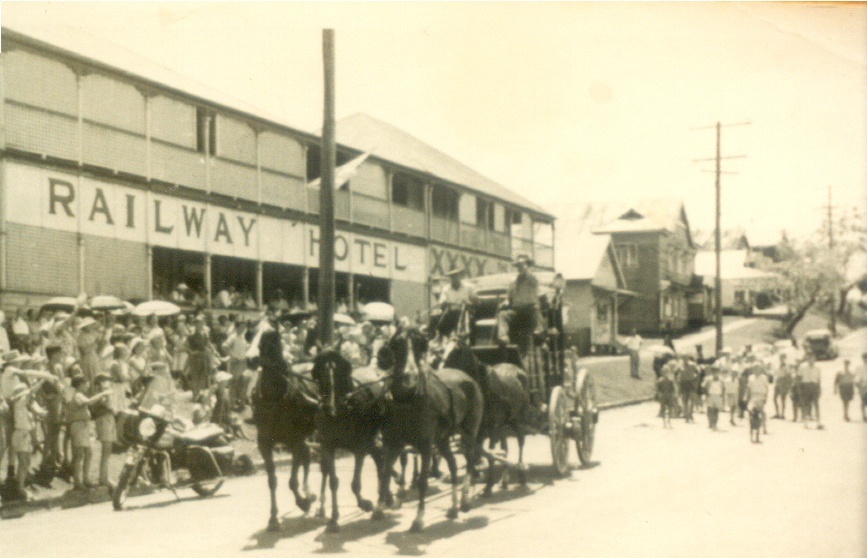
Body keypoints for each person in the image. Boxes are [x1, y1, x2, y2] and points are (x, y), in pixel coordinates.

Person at [496, 254, 541, 357]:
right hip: (517, 310)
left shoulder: (532, 279)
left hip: (530, 311)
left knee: (532, 323)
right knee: (502, 315)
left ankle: (536, 338)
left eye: (522, 265)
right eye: (518, 266)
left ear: (527, 265)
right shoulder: (513, 281)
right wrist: (505, 302)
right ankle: (503, 338)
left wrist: (525, 266)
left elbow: (528, 275)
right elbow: (509, 297)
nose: (519, 268)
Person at [90, 373, 116, 487]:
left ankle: (104, 476)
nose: (108, 382)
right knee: (106, 450)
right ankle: (103, 478)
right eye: (106, 380)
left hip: (108, 419)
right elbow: (109, 406)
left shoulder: (103, 393)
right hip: (104, 420)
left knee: (108, 450)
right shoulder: (100, 394)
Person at [436, 267, 476, 338]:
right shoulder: (446, 289)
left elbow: (475, 300)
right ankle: (442, 339)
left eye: (456, 276)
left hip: (466, 312)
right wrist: (444, 303)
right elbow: (442, 301)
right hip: (452, 313)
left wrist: (469, 303)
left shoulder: (468, 287)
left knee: (471, 325)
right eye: (452, 276)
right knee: (439, 323)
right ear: (450, 278)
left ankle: (469, 341)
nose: (454, 278)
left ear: (460, 276)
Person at [222, 320, 249, 409]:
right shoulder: (233, 337)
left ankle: (240, 403)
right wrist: (232, 356)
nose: (242, 329)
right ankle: (231, 404)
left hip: (243, 362)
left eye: (244, 327)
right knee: (233, 383)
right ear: (237, 327)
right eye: (240, 327)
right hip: (236, 363)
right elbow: (224, 346)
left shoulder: (242, 337)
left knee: (242, 383)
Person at [186, 316, 212, 400]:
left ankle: (198, 394)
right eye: (198, 323)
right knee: (194, 376)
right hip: (195, 357)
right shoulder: (191, 334)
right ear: (195, 324)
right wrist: (191, 352)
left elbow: (207, 345)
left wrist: (210, 351)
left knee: (202, 375)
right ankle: (194, 395)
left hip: (203, 356)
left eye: (201, 323)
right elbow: (187, 346)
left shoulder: (205, 334)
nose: (200, 325)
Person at [796, 352, 822, 429]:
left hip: (814, 386)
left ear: (814, 359)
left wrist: (819, 388)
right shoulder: (802, 366)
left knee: (816, 404)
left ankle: (818, 422)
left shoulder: (817, 367)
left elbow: (818, 379)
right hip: (805, 386)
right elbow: (799, 378)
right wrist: (799, 388)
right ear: (807, 359)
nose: (811, 360)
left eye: (813, 358)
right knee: (805, 404)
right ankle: (806, 423)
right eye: (809, 358)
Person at [745, 363, 770, 437]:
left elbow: (767, 388)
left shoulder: (764, 377)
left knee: (761, 412)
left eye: (758, 368)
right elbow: (749, 388)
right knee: (751, 412)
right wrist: (747, 398)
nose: (756, 370)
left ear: (760, 369)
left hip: (761, 396)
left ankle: (764, 427)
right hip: (753, 396)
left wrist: (766, 397)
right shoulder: (750, 377)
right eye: (755, 368)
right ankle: (752, 428)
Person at [677, 355, 699, 423]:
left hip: (691, 383)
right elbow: (676, 373)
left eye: (686, 358)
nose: (684, 360)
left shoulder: (692, 365)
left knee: (692, 400)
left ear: (688, 358)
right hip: (683, 384)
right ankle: (686, 416)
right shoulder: (680, 365)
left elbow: (698, 372)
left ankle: (690, 414)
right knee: (684, 401)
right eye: (683, 358)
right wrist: (678, 381)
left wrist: (695, 380)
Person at [772, 352, 794, 419]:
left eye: (783, 358)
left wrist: (788, 385)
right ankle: (777, 413)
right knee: (774, 398)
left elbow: (788, 375)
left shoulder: (787, 366)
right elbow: (775, 373)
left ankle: (782, 414)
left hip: (783, 382)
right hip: (778, 382)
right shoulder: (777, 365)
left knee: (783, 399)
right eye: (781, 357)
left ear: (785, 358)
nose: (782, 359)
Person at [856, 353, 867, 423]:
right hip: (863, 387)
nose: (866, 360)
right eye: (864, 358)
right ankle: (864, 415)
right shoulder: (860, 368)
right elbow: (857, 379)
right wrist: (859, 388)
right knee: (863, 402)